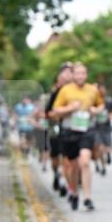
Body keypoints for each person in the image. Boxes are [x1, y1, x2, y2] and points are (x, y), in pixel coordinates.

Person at [51, 62, 104, 211]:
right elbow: (55, 110)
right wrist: (70, 108)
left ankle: (87, 197)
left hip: (87, 129)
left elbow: (101, 105)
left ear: (86, 75)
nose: (81, 76)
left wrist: (95, 110)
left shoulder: (93, 90)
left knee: (85, 162)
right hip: (69, 131)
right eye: (78, 73)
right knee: (73, 166)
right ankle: (74, 192)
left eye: (83, 73)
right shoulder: (65, 90)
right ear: (73, 75)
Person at [46, 64, 73, 196]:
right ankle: (57, 175)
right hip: (55, 128)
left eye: (70, 73)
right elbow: (48, 112)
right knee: (56, 158)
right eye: (65, 74)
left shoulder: (76, 91)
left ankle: (65, 183)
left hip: (71, 129)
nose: (68, 76)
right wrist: (59, 114)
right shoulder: (55, 93)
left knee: (67, 158)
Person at [92, 84, 112, 176]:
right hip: (96, 128)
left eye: (103, 90)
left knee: (108, 147)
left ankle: (108, 155)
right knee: (99, 148)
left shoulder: (109, 101)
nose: (101, 92)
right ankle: (103, 166)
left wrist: (110, 116)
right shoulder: (93, 101)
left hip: (106, 127)